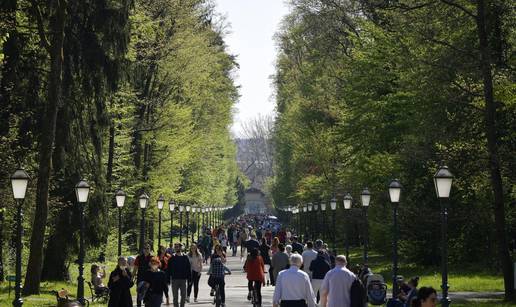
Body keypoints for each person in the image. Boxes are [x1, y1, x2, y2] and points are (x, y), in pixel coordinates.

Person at [167, 243, 191, 307]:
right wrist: (168, 279)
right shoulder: (172, 258)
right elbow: (168, 269)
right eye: (175, 247)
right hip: (174, 279)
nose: (176, 248)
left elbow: (188, 268)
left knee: (183, 295)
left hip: (183, 279)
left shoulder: (185, 257)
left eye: (178, 247)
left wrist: (189, 279)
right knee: (175, 296)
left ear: (181, 248)